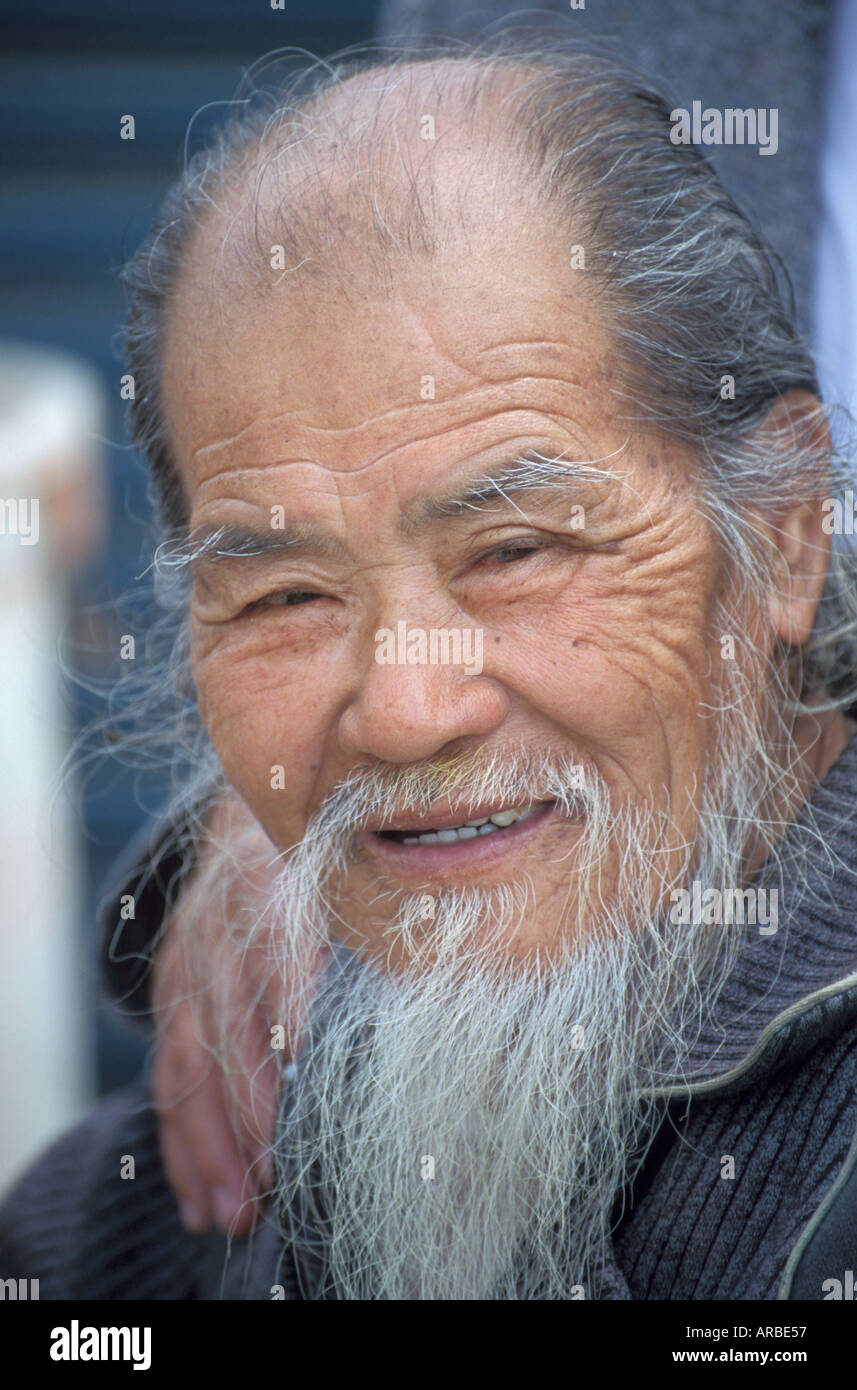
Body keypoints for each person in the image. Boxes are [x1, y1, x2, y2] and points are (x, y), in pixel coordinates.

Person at [3, 32, 857, 1299]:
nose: (405, 711)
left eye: (513, 551)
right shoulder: (150, 1209)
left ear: (783, 529)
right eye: (285, 595)